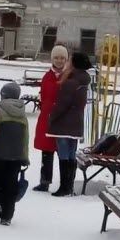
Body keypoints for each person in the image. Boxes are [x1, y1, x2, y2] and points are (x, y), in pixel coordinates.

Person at [47, 52, 93, 197]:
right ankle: (69, 186)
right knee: (71, 154)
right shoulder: (83, 80)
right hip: (76, 122)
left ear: (74, 64)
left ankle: (64, 187)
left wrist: (52, 117)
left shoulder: (71, 82)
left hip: (64, 123)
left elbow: (62, 104)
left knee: (63, 154)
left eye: (70, 61)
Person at [0, 82, 29, 226]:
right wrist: (25, 156)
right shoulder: (23, 116)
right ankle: (7, 216)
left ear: (3, 95)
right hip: (16, 157)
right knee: (10, 185)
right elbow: (25, 138)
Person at [32, 45, 68, 192]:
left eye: (62, 58)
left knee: (63, 153)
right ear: (52, 59)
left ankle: (65, 184)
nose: (59, 60)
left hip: (63, 119)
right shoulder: (47, 77)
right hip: (47, 118)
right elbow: (44, 96)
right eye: (56, 58)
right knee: (47, 151)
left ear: (66, 60)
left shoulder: (68, 76)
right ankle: (44, 181)